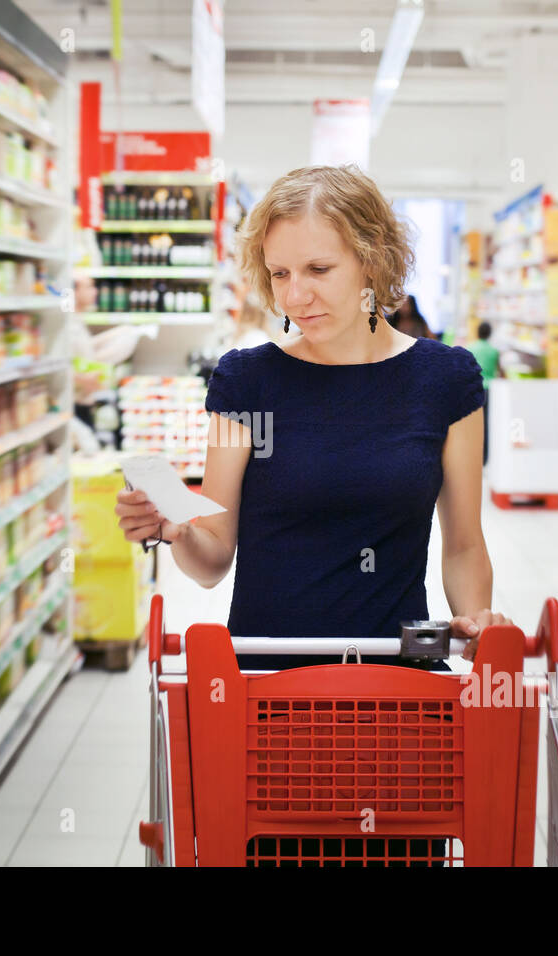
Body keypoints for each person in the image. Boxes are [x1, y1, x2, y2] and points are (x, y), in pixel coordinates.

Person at [113, 164, 510, 669]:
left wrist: (477, 621)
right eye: (280, 273)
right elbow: (211, 559)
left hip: (398, 687)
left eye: (318, 270)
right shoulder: (247, 380)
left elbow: (463, 546)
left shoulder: (446, 379)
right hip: (264, 689)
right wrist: (177, 530)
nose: (295, 295)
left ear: (372, 262)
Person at [466, 321, 501, 465]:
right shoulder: (494, 351)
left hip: (473, 388)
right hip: (489, 389)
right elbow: (500, 370)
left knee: (472, 424)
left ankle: (471, 454)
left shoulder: (470, 348)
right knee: (486, 424)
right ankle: (484, 457)